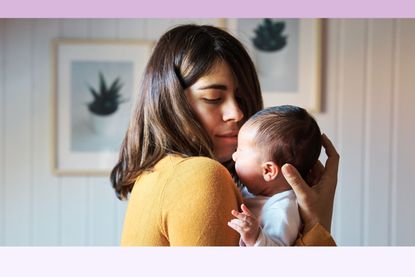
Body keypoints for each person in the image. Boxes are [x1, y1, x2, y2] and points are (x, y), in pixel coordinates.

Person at [110, 24, 339, 246]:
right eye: (213, 98)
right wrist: (317, 225)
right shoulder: (200, 175)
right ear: (170, 102)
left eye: (241, 98)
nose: (237, 113)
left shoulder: (156, 174)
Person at [228, 105, 322, 246]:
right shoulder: (258, 189)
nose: (234, 156)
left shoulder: (282, 210)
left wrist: (255, 237)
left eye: (239, 151)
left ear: (268, 171)